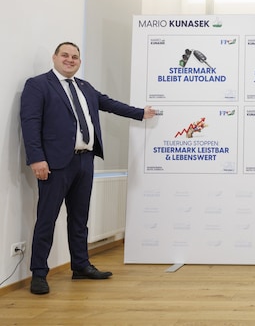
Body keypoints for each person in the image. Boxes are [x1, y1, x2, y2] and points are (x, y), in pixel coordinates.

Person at [20, 42, 157, 295]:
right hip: (54, 164)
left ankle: (80, 266)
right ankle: (39, 273)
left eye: (75, 57)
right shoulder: (38, 85)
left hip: (85, 161)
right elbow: (30, 124)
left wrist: (140, 113)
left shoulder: (84, 87)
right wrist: (36, 159)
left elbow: (110, 104)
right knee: (47, 219)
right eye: (65, 55)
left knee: (80, 219)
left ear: (79, 62)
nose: (70, 60)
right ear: (55, 57)